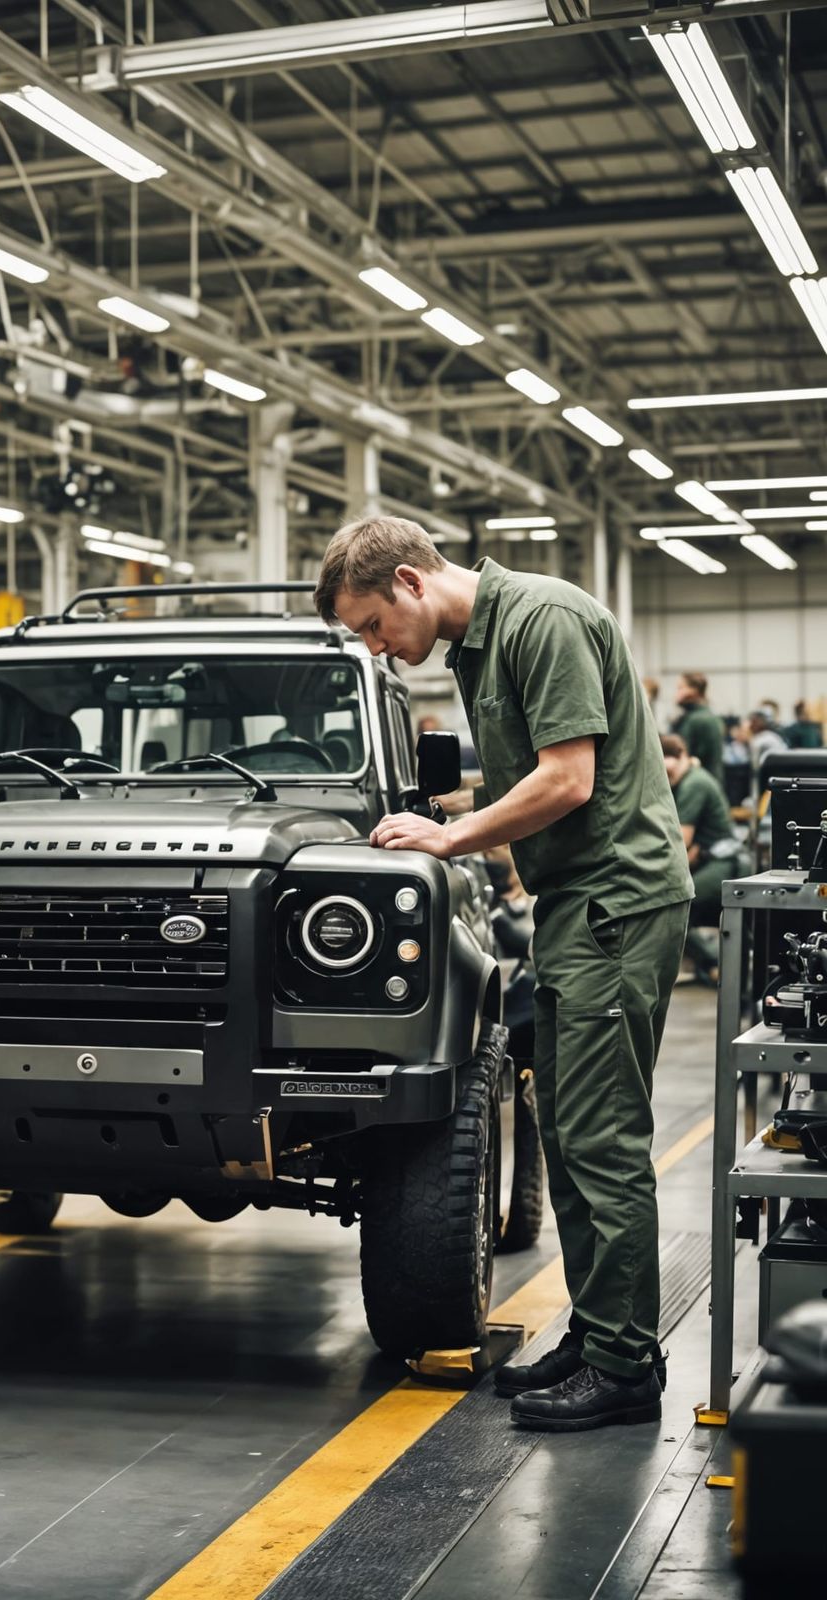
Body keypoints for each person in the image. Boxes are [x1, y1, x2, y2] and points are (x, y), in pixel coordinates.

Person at [316, 517, 691, 1433]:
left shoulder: (543, 620)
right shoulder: (479, 649)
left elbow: (567, 780)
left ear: (410, 581)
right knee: (564, 1130)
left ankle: (626, 1366)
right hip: (574, 908)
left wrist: (448, 836)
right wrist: (443, 806)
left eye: (371, 625)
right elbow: (529, 776)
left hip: (616, 904)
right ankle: (600, 1333)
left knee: (602, 1139)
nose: (378, 649)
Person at [662, 733, 746, 986]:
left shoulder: (693, 785)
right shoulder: (687, 780)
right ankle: (713, 966)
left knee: (673, 908)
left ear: (682, 757)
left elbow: (680, 843)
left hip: (725, 864)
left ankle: (716, 965)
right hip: (711, 861)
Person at [671, 673, 724, 775]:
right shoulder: (704, 715)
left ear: (694, 690)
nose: (676, 693)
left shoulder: (697, 719)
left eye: (680, 688)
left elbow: (683, 755)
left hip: (698, 782)